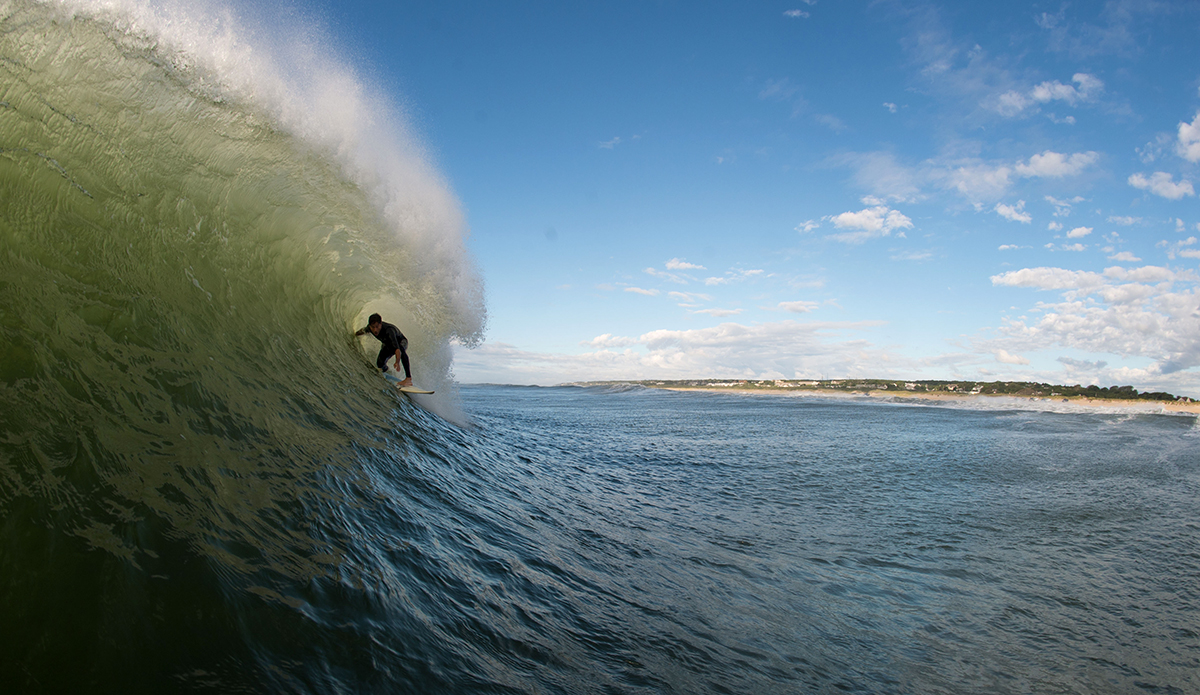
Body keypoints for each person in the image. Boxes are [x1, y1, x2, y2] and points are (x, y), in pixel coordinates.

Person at [355, 313, 413, 387]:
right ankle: (386, 372)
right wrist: (354, 335)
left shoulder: (389, 331)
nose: (375, 330)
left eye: (377, 326)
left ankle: (408, 379)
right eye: (373, 327)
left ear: (380, 324)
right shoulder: (369, 328)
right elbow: (362, 331)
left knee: (401, 350)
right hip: (387, 344)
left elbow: (397, 349)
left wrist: (397, 362)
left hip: (400, 342)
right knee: (380, 364)